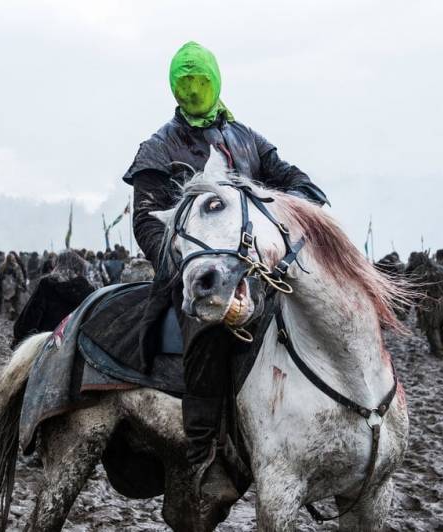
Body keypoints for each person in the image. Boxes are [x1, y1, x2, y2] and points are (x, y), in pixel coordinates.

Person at [122, 41, 329, 509]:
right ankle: (205, 456)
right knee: (208, 336)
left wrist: (302, 206)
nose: (193, 89)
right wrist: (182, 266)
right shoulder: (159, 146)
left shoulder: (246, 138)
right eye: (185, 82)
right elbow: (146, 219)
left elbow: (291, 180)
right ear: (174, 87)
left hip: (255, 265)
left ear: (216, 82)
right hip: (195, 273)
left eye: (201, 80)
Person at [12, 250, 95, 348]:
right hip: (76, 344)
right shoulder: (88, 289)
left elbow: (31, 316)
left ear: (57, 264)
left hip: (47, 342)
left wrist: (19, 337)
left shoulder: (47, 283)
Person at [406, 252, 443, 356]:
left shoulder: (418, 271)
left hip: (427, 302)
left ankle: (438, 351)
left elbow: (411, 289)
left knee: (431, 327)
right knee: (439, 326)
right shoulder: (440, 270)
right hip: (441, 301)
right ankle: (441, 347)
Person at [0, 251, 25, 320]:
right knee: (16, 300)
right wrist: (22, 283)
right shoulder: (16, 266)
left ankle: (10, 309)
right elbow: (20, 276)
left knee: (7, 299)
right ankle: (16, 314)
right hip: (15, 284)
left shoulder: (2, 266)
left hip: (5, 284)